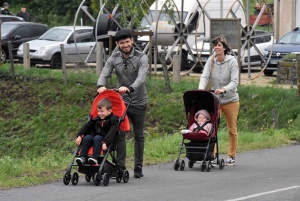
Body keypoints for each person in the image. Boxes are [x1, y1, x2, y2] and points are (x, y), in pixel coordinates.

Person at [97, 29, 148, 178]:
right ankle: (120, 166)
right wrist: (100, 86)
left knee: (138, 135)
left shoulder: (141, 57)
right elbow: (104, 73)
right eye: (122, 43)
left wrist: (130, 88)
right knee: (120, 133)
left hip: (139, 101)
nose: (125, 45)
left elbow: (142, 77)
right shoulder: (114, 58)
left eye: (127, 42)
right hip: (122, 102)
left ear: (131, 41)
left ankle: (138, 166)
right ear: (118, 44)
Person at [198, 34, 239, 166]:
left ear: (225, 48)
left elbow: (234, 82)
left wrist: (224, 89)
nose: (216, 47)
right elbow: (205, 76)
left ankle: (231, 155)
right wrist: (201, 89)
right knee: (213, 128)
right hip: (216, 100)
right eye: (215, 45)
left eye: (219, 45)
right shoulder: (211, 60)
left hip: (230, 100)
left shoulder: (232, 61)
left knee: (231, 129)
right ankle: (213, 155)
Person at [75, 98, 119, 165]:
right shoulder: (97, 119)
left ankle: (95, 158)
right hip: (95, 139)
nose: (100, 113)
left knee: (97, 137)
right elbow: (86, 126)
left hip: (104, 140)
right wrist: (80, 135)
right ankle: (82, 157)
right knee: (87, 138)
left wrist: (106, 142)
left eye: (102, 111)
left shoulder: (113, 120)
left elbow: (111, 133)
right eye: (98, 111)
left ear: (109, 111)